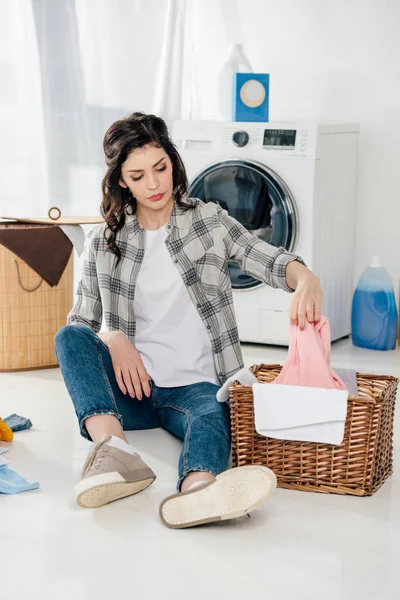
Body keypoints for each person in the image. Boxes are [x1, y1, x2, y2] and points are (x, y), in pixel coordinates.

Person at [55, 112, 323, 529]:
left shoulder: (208, 221)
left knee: (213, 417)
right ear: (122, 180)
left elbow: (268, 258)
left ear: (173, 163)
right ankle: (116, 451)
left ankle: (198, 490)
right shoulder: (104, 242)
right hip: (133, 388)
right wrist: (112, 337)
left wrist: (305, 278)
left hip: (196, 385)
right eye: (139, 175)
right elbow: (81, 328)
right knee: (67, 337)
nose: (155, 184)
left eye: (160, 168)